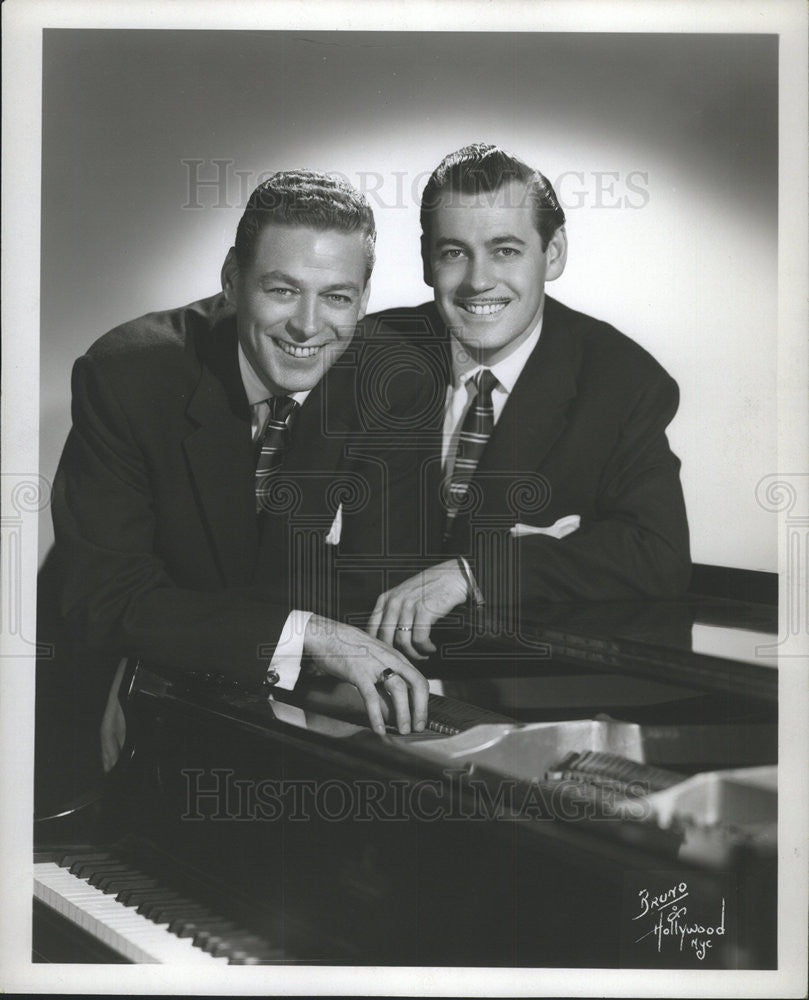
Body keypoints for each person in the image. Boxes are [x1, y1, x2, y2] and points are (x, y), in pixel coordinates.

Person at [51, 170, 430, 744]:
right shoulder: (128, 376)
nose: (307, 325)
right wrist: (146, 668)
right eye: (282, 290)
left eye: (336, 296)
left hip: (289, 689)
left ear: (363, 299)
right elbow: (107, 598)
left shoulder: (394, 382)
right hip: (110, 672)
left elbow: (379, 577)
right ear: (232, 279)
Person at [366, 143, 691, 661]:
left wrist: (473, 572)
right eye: (454, 252)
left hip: (515, 686)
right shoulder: (371, 350)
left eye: (505, 250)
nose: (478, 281)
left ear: (553, 253)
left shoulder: (621, 379)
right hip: (360, 671)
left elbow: (657, 554)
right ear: (426, 259)